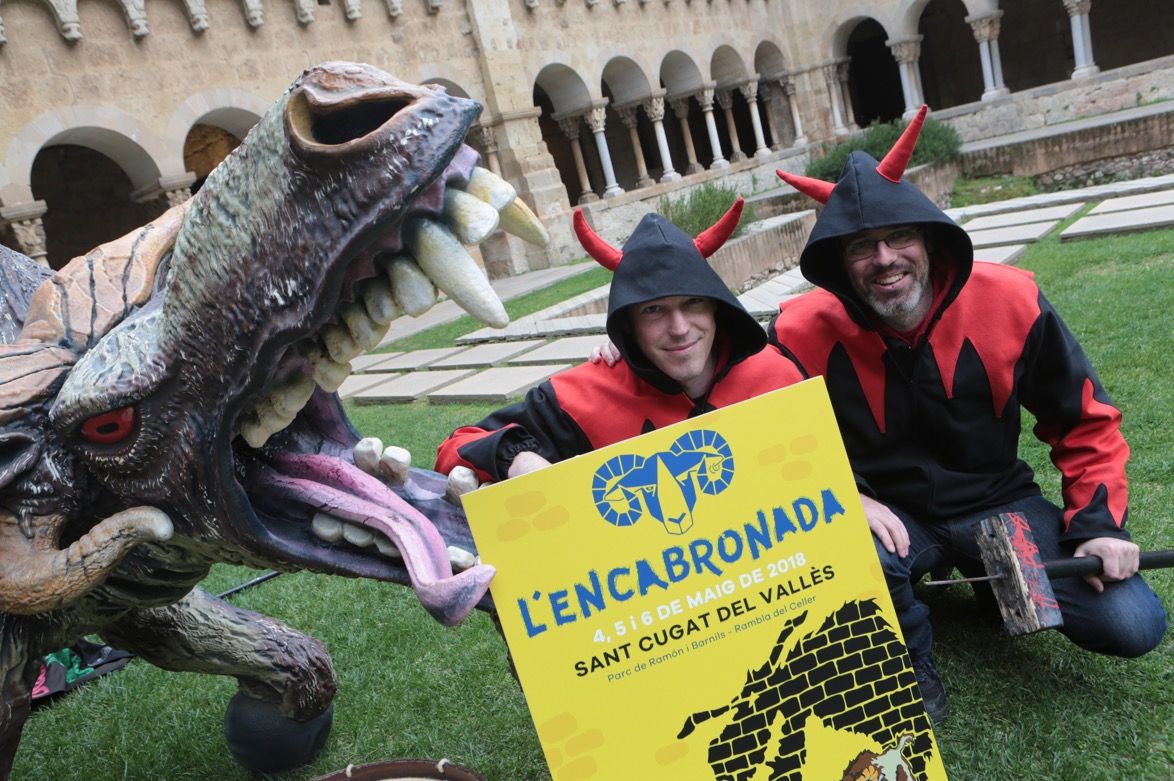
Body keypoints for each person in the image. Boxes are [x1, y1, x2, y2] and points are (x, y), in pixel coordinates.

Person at [769, 106, 1167, 723]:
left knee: (1132, 622)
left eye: (900, 237)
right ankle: (908, 656)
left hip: (998, 502)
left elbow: (1083, 420)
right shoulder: (798, 331)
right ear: (839, 263)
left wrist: (1099, 525)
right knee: (852, 562)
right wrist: (626, 351)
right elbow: (732, 398)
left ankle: (990, 577)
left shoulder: (1011, 298)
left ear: (929, 239)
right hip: (892, 517)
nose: (884, 258)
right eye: (861, 247)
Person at [434, 197, 804, 482]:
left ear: (715, 307)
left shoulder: (779, 374)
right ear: (628, 324)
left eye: (692, 302)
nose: (679, 328)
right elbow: (456, 446)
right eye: (653, 311)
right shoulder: (579, 398)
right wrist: (517, 459)